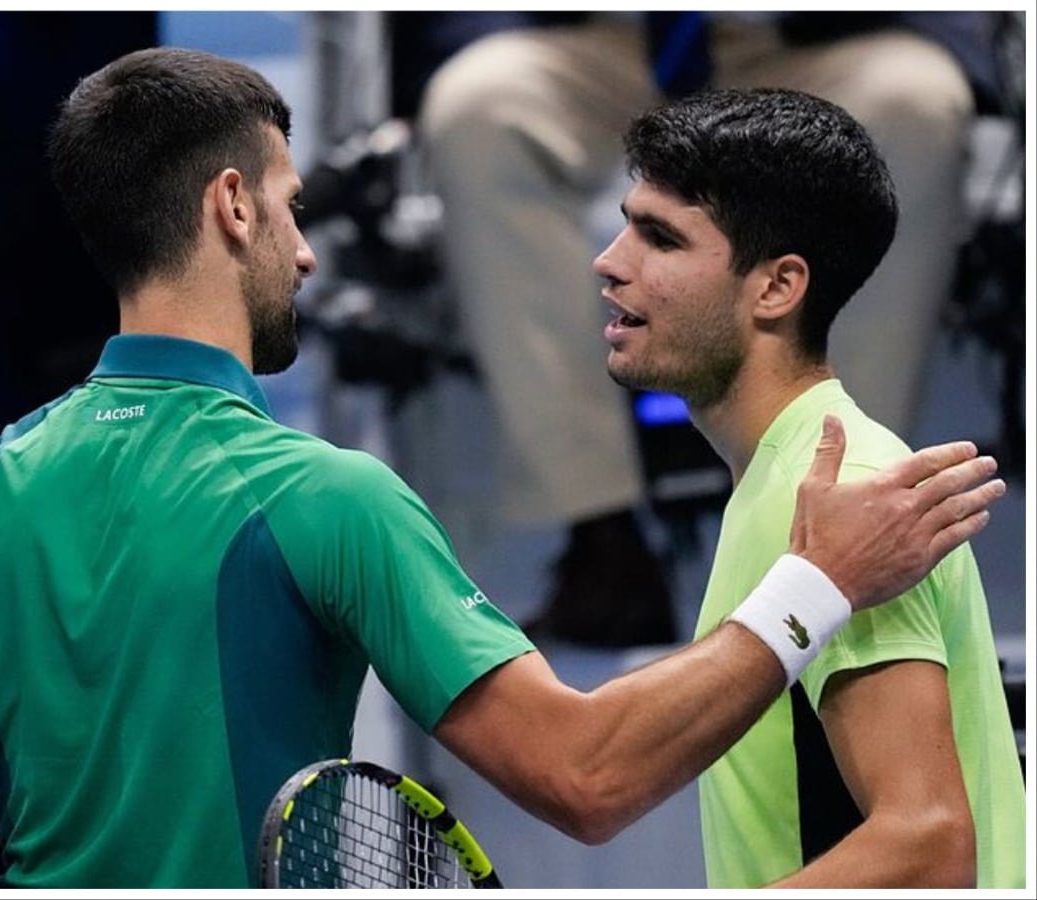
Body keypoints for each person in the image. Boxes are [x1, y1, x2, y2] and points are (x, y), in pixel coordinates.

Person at [0, 48, 1006, 889]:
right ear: (233, 205)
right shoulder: (324, 497)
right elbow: (586, 777)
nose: (307, 251)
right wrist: (812, 589)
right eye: (295, 209)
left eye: (653, 236)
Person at [417, 11, 1003, 646]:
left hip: (802, 36)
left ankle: (830, 510)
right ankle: (602, 537)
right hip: (600, 36)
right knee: (476, 110)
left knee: (913, 103)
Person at [598, 87, 1025, 887]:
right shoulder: (785, 478)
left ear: (776, 289)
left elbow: (929, 846)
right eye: (626, 223)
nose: (611, 260)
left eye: (659, 237)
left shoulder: (842, 488)